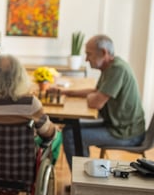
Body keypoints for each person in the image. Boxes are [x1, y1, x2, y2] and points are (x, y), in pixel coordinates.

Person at [58, 34, 145, 172]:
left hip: (126, 133)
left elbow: (96, 103)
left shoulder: (117, 69)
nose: (86, 59)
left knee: (70, 135)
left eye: (89, 54)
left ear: (104, 53)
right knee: (70, 128)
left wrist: (94, 96)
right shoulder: (110, 67)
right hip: (117, 125)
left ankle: (83, 182)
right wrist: (66, 92)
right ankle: (84, 177)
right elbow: (96, 92)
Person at [0, 54, 57, 143]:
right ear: (19, 77)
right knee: (58, 137)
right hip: (22, 156)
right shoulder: (30, 103)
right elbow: (48, 133)